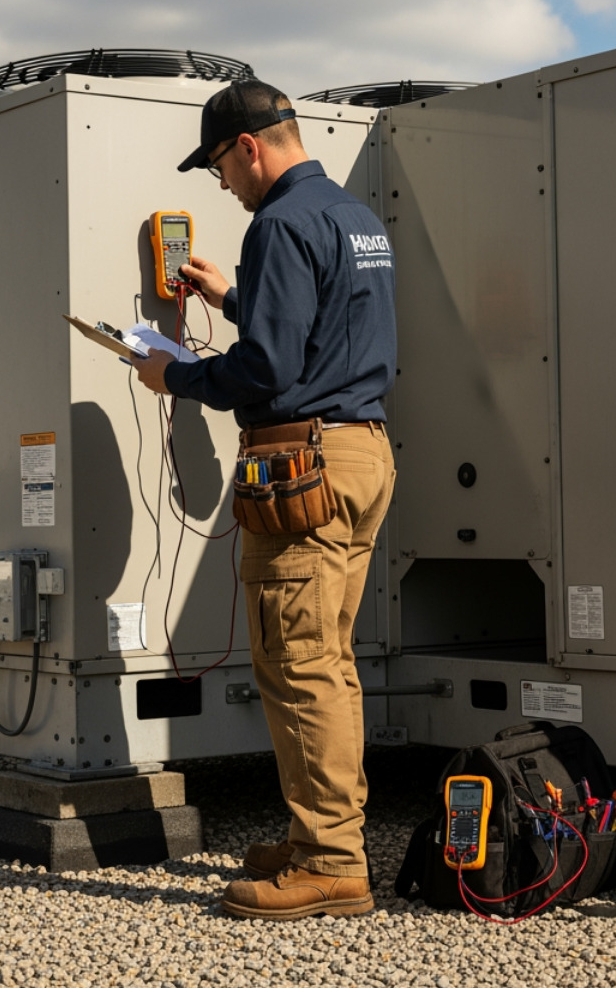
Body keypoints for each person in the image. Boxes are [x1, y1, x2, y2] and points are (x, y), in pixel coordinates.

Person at [131, 79, 397, 920]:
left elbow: (269, 371)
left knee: (298, 664)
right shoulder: (354, 218)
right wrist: (235, 299)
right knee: (330, 658)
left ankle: (330, 860)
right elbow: (324, 331)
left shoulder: (278, 223)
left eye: (219, 165)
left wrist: (175, 373)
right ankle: (322, 831)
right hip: (363, 455)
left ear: (250, 146)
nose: (221, 185)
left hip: (301, 467)